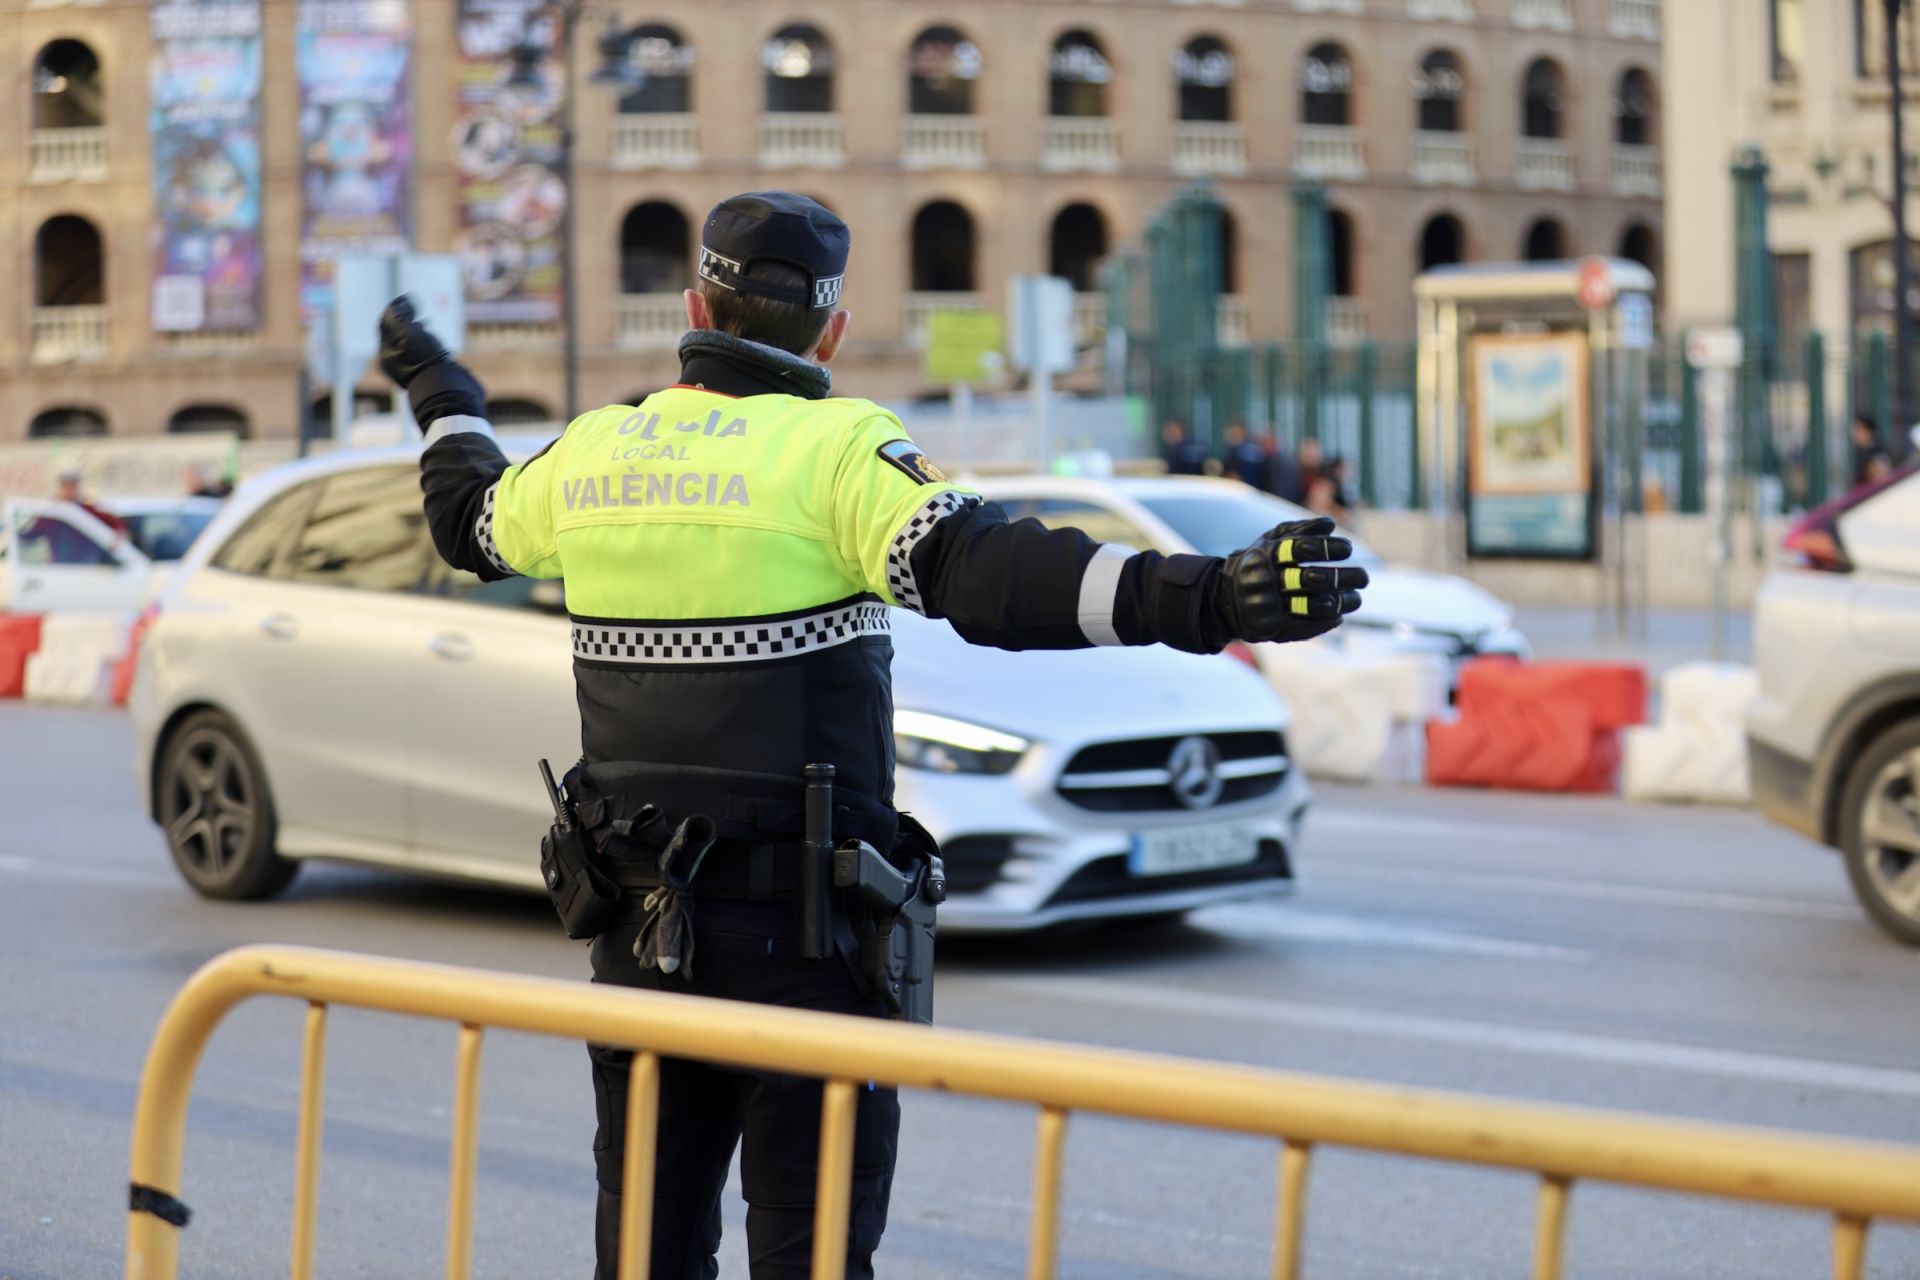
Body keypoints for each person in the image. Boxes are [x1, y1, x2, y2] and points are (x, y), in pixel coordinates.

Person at [377, 190, 1367, 1280]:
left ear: (697, 303)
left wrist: (440, 385)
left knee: (646, 1255)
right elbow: (990, 573)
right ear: (831, 329)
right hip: (811, 957)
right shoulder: (838, 446)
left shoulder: (597, 454)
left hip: (642, 942)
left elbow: (465, 515)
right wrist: (1208, 597)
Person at [1852, 412, 1892, 488]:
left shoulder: (1877, 453)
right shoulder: (1859, 452)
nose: (1854, 434)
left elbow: (1882, 479)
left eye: (1858, 430)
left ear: (1868, 431)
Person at [1220, 420, 1265, 488]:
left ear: (1243, 432)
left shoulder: (1249, 449)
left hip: (1247, 491)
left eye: (1236, 432)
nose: (1233, 435)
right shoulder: (1230, 450)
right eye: (1232, 433)